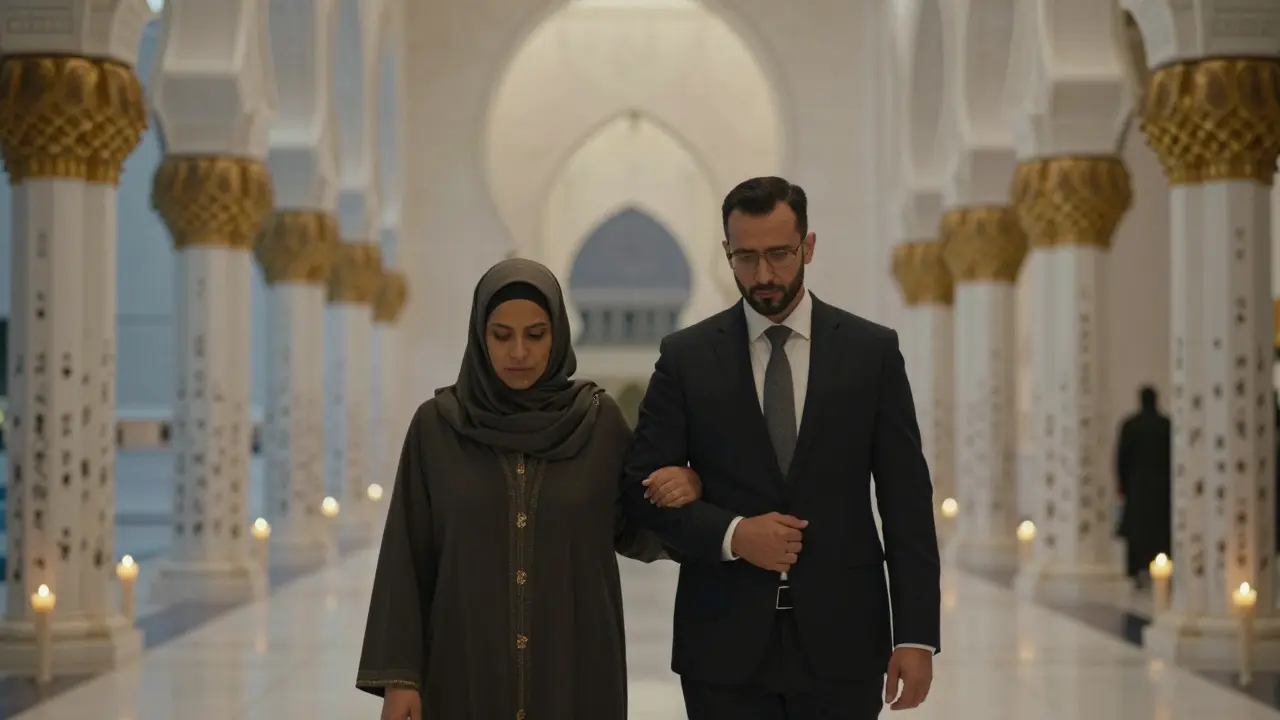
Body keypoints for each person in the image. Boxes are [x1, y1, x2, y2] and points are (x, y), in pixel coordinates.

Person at [621, 177, 941, 719]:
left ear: (808, 247)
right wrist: (733, 534)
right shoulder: (686, 358)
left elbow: (905, 501)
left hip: (845, 643)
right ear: (726, 252)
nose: (763, 275)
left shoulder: (871, 354)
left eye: (778, 254)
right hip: (722, 649)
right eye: (745, 257)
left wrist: (916, 635)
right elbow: (639, 494)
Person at [355, 258, 704, 720]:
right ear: (480, 336)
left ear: (558, 333)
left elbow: (637, 528)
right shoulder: (437, 427)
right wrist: (400, 678)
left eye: (535, 335)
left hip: (575, 665)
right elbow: (407, 553)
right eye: (502, 335)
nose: (519, 351)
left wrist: (689, 486)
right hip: (463, 666)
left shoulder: (598, 423)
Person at [1115, 385, 1172, 585]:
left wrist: (1121, 482)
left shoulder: (1131, 425)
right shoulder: (1166, 424)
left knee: (1139, 528)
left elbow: (1121, 458)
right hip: (1162, 485)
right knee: (1158, 527)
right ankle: (1162, 565)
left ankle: (1137, 568)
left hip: (1138, 484)